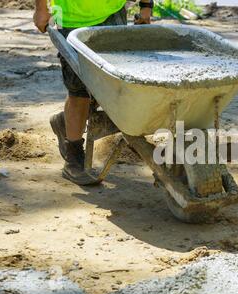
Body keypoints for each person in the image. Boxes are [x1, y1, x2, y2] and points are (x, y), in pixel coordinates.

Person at [33, 0, 153, 185]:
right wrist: (41, 8)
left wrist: (146, 6)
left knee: (111, 82)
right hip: (73, 19)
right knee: (79, 89)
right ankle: (73, 159)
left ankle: (66, 122)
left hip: (113, 14)